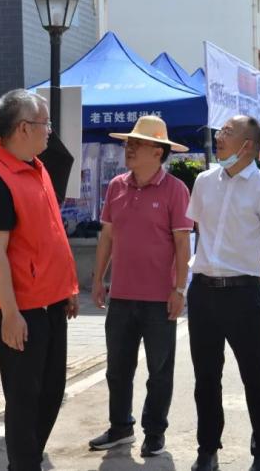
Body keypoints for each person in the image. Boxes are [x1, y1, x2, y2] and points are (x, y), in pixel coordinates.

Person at [0, 89, 79, 471]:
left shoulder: (37, 167)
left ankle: (28, 461)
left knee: (52, 391)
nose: (49, 130)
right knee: (24, 397)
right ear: (22, 128)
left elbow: (51, 233)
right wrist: (9, 313)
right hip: (21, 306)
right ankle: (24, 464)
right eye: (44, 123)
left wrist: (68, 287)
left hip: (51, 299)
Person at [89, 115, 193, 457]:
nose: (128, 148)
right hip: (121, 295)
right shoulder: (116, 186)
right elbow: (107, 236)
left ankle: (154, 431)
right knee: (117, 369)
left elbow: (182, 244)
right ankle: (121, 427)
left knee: (159, 371)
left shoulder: (176, 190)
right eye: (128, 143)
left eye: (137, 143)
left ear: (158, 151)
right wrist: (98, 280)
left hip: (159, 298)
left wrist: (179, 289)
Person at [186, 115, 260, 471]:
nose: (219, 137)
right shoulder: (203, 181)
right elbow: (200, 229)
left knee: (254, 374)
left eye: (227, 132)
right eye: (220, 131)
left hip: (243, 294)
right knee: (205, 377)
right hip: (203, 291)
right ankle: (207, 449)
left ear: (248, 145)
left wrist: (253, 275)